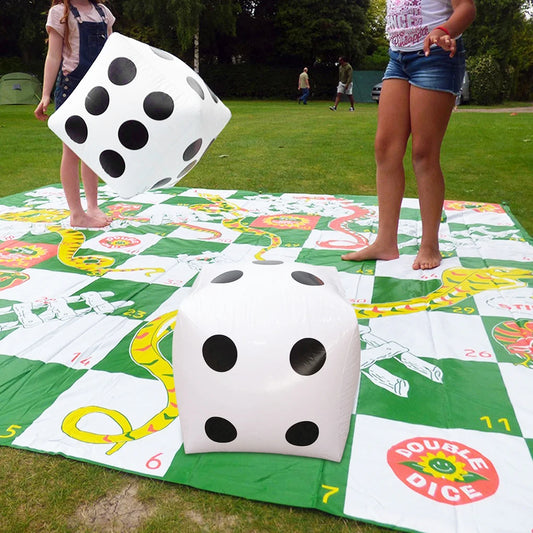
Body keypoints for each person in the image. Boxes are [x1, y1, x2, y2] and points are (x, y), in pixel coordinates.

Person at [342, 0, 476, 270]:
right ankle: (385, 242)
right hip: (398, 58)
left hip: (436, 56)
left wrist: (443, 29)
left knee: (424, 153)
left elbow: (466, 8)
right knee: (385, 148)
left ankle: (430, 245)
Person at [35, 0, 115, 228]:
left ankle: (93, 206)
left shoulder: (103, 13)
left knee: (92, 148)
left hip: (99, 88)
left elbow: (111, 53)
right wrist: (46, 94)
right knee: (72, 150)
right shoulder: (60, 13)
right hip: (72, 88)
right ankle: (77, 214)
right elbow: (53, 56)